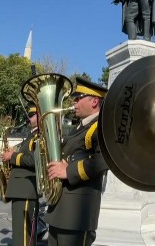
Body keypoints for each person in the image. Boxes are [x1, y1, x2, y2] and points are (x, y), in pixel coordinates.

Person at [45, 78, 109, 246]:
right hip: (60, 209)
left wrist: (68, 170)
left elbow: (103, 160)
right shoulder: (79, 127)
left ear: (94, 101)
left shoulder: (103, 125)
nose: (73, 102)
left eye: (78, 97)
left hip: (77, 213)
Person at [2, 106, 39, 246]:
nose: (28, 118)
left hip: (26, 189)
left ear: (40, 116)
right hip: (21, 189)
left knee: (24, 234)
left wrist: (12, 156)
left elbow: (34, 160)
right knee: (20, 232)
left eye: (32, 115)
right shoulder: (31, 135)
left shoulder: (40, 135)